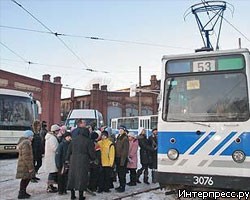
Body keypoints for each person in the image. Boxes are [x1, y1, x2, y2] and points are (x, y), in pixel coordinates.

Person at [66, 127, 96, 200]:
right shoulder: (88, 141)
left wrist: (67, 159)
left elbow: (68, 151)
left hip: (73, 161)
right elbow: (92, 154)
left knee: (72, 177)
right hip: (83, 161)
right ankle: (81, 196)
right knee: (82, 178)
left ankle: (72, 195)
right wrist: (93, 158)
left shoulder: (73, 140)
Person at [16, 130, 35, 199]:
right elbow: (26, 156)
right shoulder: (26, 143)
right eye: (31, 136)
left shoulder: (26, 143)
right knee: (25, 179)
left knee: (26, 178)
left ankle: (23, 192)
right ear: (28, 136)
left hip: (24, 164)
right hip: (25, 165)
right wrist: (30, 167)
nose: (32, 137)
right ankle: (21, 193)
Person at [44, 124, 60, 193]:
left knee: (52, 172)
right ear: (55, 131)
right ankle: (49, 186)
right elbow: (55, 148)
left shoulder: (50, 137)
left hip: (50, 157)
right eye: (57, 131)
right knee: (52, 172)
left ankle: (51, 186)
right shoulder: (52, 138)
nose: (58, 132)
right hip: (52, 157)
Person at [55, 131, 72, 195]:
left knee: (66, 177)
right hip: (62, 163)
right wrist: (58, 164)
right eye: (68, 137)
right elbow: (58, 155)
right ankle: (60, 190)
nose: (69, 138)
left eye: (70, 136)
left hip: (67, 163)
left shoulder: (70, 144)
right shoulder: (62, 144)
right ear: (65, 137)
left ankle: (64, 189)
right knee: (61, 177)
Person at [114, 125, 129, 193]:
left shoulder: (125, 138)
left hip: (122, 158)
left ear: (124, 130)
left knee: (122, 174)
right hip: (118, 158)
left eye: (121, 129)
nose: (120, 130)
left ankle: (122, 186)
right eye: (119, 129)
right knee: (119, 173)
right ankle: (120, 185)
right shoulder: (119, 137)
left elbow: (125, 151)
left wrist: (122, 161)